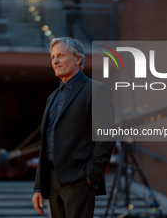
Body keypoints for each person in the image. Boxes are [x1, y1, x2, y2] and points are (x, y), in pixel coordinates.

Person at [32, 37, 115, 218]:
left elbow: (106, 138)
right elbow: (46, 143)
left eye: (60, 55)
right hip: (52, 183)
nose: (54, 61)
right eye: (53, 57)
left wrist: (90, 176)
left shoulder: (97, 90)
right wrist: (39, 186)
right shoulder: (52, 97)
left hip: (79, 181)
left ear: (77, 59)